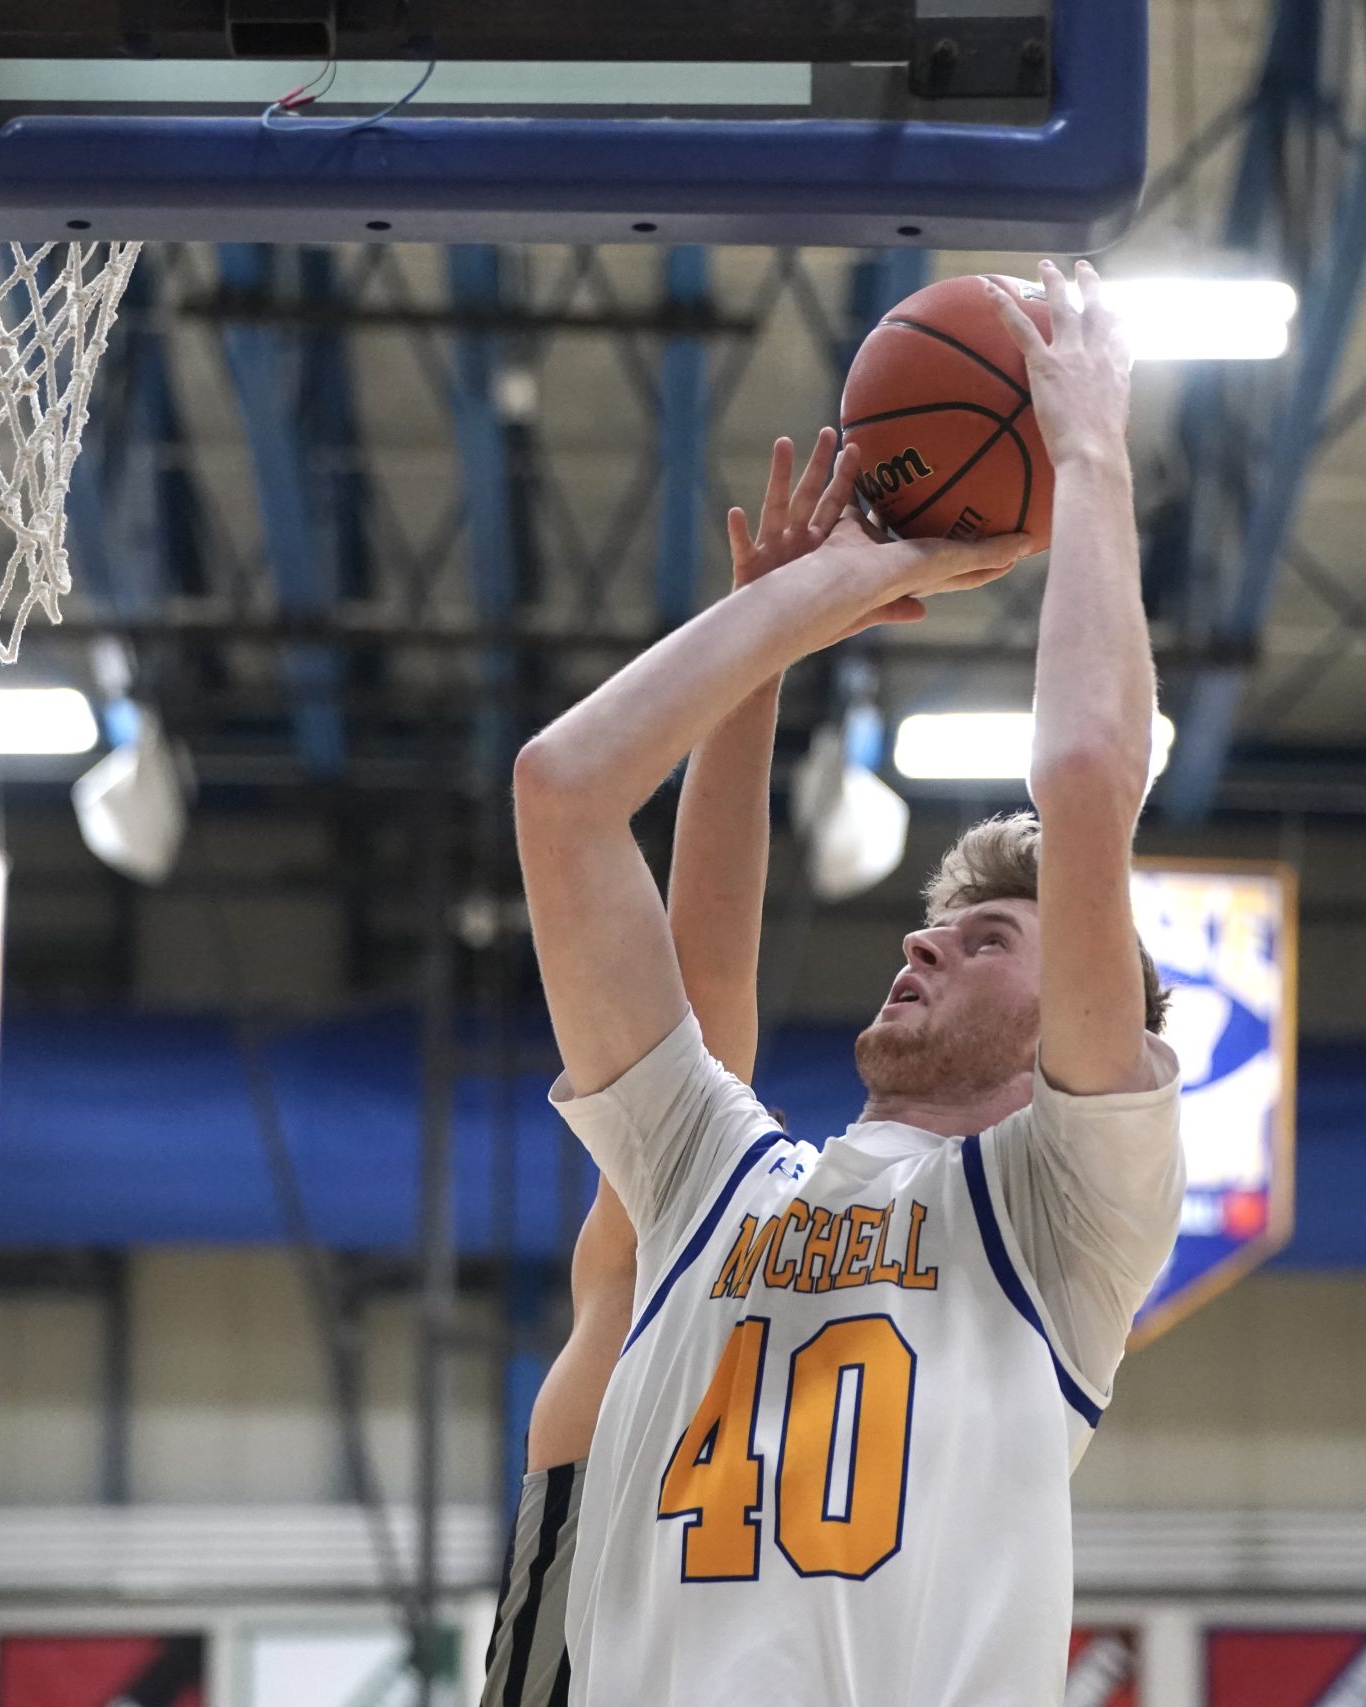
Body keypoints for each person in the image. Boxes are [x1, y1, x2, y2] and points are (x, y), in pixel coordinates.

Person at [514, 259, 1181, 1706]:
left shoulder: (1062, 1216)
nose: (923, 942)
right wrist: (809, 602)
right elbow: (563, 792)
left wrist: (1086, 450)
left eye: (989, 939)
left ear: (1072, 1022)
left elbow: (1084, 775)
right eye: (939, 928)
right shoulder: (711, 1185)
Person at [482, 428, 863, 1707]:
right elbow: (705, 992)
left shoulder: (909, 1269)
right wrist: (760, 650)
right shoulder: (653, 1257)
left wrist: (769, 639)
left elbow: (707, 1010)